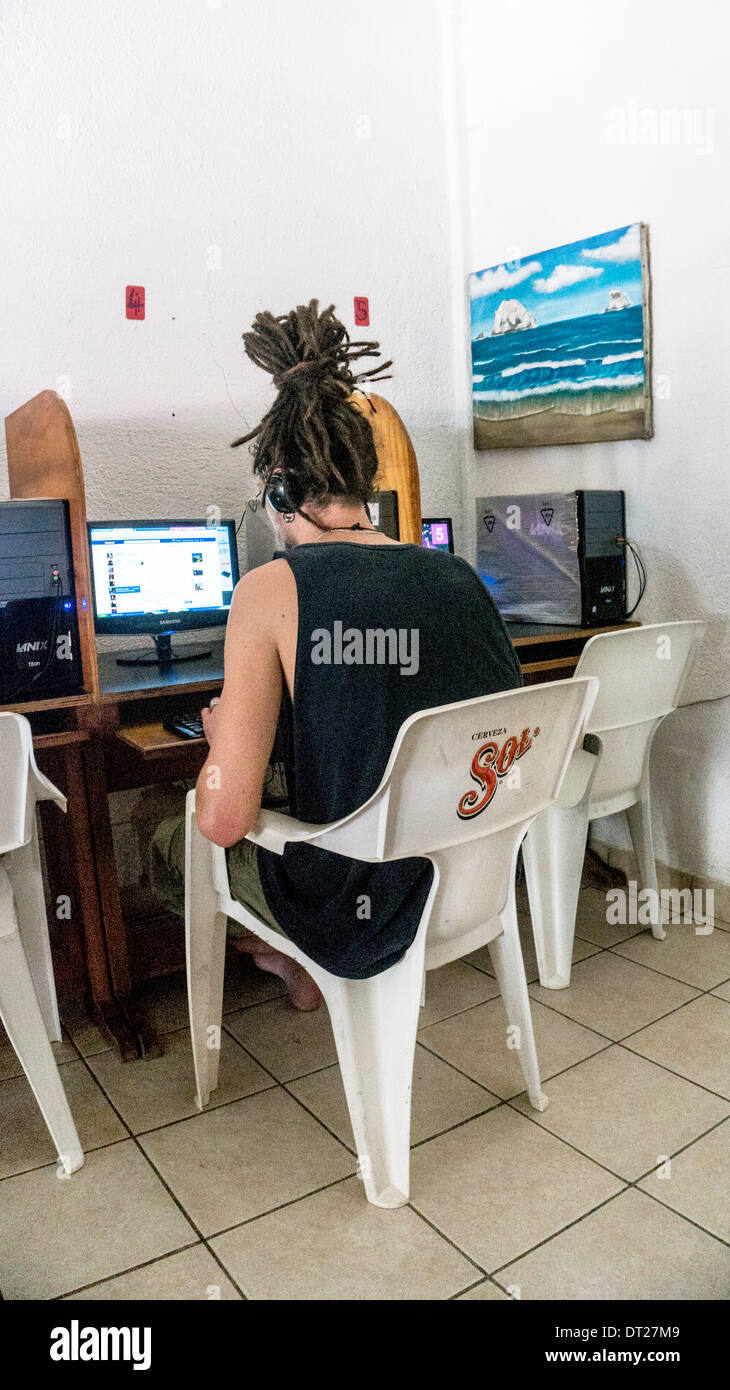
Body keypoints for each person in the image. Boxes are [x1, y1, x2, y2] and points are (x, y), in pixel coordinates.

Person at [150, 299, 522, 1010]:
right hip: (472, 881)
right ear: (363, 478)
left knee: (170, 833)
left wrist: (225, 741)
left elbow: (223, 822)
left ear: (278, 488)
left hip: (360, 906)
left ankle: (292, 958)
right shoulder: (458, 575)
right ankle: (297, 965)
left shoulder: (269, 589)